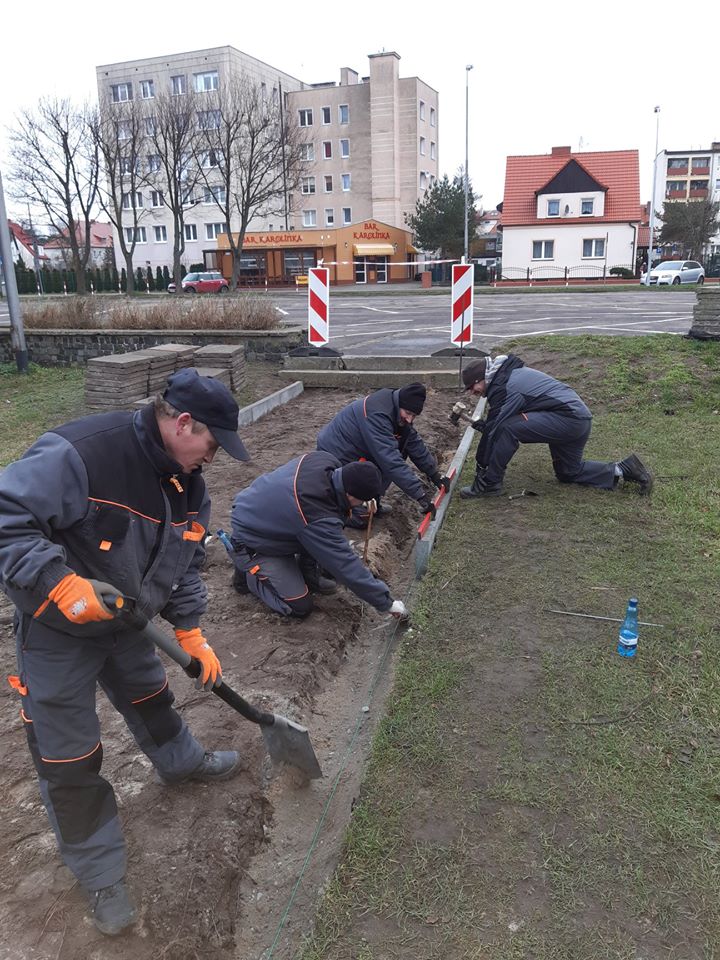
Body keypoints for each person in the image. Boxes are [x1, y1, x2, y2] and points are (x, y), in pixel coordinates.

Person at [0, 368, 251, 937]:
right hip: (58, 629)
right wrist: (60, 584)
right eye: (211, 444)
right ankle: (100, 872)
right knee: (70, 758)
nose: (212, 457)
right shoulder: (82, 454)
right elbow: (6, 518)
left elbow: (184, 560)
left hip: (127, 621)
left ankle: (181, 763)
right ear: (183, 423)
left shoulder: (189, 484)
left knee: (152, 697)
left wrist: (189, 630)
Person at [229, 453, 408, 620]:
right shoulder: (314, 512)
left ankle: (309, 576)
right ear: (349, 493)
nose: (361, 505)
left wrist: (367, 498)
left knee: (314, 535)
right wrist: (387, 603)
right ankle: (249, 575)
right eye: (361, 501)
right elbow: (345, 565)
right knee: (299, 606)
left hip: (266, 513)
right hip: (253, 538)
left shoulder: (324, 461)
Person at [459, 355, 653, 498]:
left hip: (568, 419)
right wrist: (489, 427)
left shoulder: (505, 386)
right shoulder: (507, 376)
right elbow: (495, 423)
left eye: (472, 387)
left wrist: (482, 469)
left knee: (508, 428)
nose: (472, 393)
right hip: (578, 420)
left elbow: (497, 428)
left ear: (482, 378)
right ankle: (625, 469)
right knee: (568, 472)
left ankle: (490, 485)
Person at [316, 382, 450, 526]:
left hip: (362, 447)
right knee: (362, 518)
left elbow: (413, 442)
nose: (410, 419)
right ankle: (343, 513)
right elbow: (390, 461)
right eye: (408, 413)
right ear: (400, 405)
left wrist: (435, 474)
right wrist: (420, 496)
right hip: (339, 449)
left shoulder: (398, 409)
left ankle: (373, 503)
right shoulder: (378, 414)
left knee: (395, 452)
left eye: (414, 415)